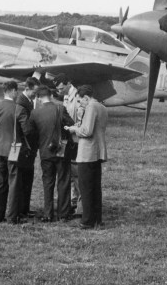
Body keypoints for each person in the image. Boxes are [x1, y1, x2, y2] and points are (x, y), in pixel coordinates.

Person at [25, 86, 73, 222]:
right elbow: (71, 124)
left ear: (39, 98)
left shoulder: (35, 113)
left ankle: (48, 213)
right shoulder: (60, 108)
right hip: (61, 151)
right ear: (51, 96)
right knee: (63, 181)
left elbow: (30, 132)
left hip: (45, 151)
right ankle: (63, 214)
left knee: (48, 182)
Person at [65, 85, 108, 230]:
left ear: (86, 98)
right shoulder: (101, 106)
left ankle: (87, 220)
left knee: (86, 187)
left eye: (80, 101)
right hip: (97, 151)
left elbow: (86, 131)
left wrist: (73, 129)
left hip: (87, 153)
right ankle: (97, 219)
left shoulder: (91, 107)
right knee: (95, 187)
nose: (79, 104)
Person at [0, 80, 27, 223]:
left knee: (0, 183)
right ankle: (12, 216)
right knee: (14, 183)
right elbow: (27, 130)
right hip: (14, 149)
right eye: (17, 91)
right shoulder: (19, 109)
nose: (18, 94)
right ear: (13, 91)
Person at [54, 75, 81, 216]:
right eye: (57, 89)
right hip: (68, 139)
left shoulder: (77, 97)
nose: (59, 91)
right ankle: (73, 200)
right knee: (69, 173)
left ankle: (79, 204)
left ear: (69, 83)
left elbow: (79, 120)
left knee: (76, 173)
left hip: (76, 139)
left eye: (61, 88)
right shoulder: (66, 96)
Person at [15, 79, 39, 218]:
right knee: (23, 179)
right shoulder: (22, 104)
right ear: (28, 88)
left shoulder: (27, 101)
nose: (35, 95)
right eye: (34, 92)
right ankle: (21, 209)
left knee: (27, 179)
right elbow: (27, 130)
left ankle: (25, 208)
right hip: (25, 148)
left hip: (28, 148)